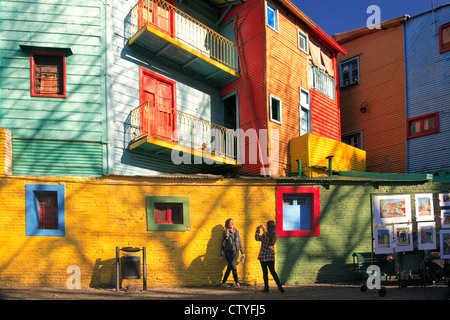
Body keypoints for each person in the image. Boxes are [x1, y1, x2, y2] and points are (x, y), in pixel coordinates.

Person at [255, 221, 284, 293]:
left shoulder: (265, 235)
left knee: (265, 272)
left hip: (264, 256)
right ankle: (280, 287)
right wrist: (264, 229)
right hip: (271, 256)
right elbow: (267, 235)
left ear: (268, 227)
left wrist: (258, 229)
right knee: (273, 271)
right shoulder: (274, 235)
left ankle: (266, 288)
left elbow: (257, 238)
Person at [220, 218, 245, 288]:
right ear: (227, 224)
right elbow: (223, 244)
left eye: (233, 222)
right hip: (228, 252)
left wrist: (242, 253)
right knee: (234, 267)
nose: (232, 224)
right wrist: (221, 254)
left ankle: (223, 282)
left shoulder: (237, 232)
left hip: (236, 252)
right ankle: (237, 282)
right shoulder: (226, 233)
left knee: (229, 267)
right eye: (230, 223)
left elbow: (239, 243)